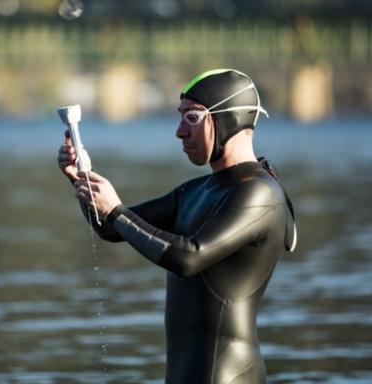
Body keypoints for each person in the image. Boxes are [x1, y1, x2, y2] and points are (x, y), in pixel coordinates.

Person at [57, 69, 297, 384]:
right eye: (180, 118)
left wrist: (116, 211)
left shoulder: (259, 193)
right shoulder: (194, 191)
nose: (180, 132)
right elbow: (111, 229)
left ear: (230, 119)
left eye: (192, 119)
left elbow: (188, 258)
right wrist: (81, 181)